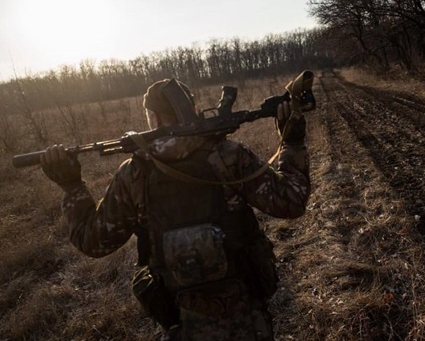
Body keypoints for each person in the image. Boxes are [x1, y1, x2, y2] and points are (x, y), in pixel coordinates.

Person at [39, 78, 311, 341]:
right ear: (193, 111)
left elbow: (94, 242)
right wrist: (293, 142)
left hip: (182, 323)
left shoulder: (134, 174)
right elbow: (291, 201)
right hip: (247, 319)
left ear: (153, 119)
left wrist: (72, 186)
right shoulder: (229, 155)